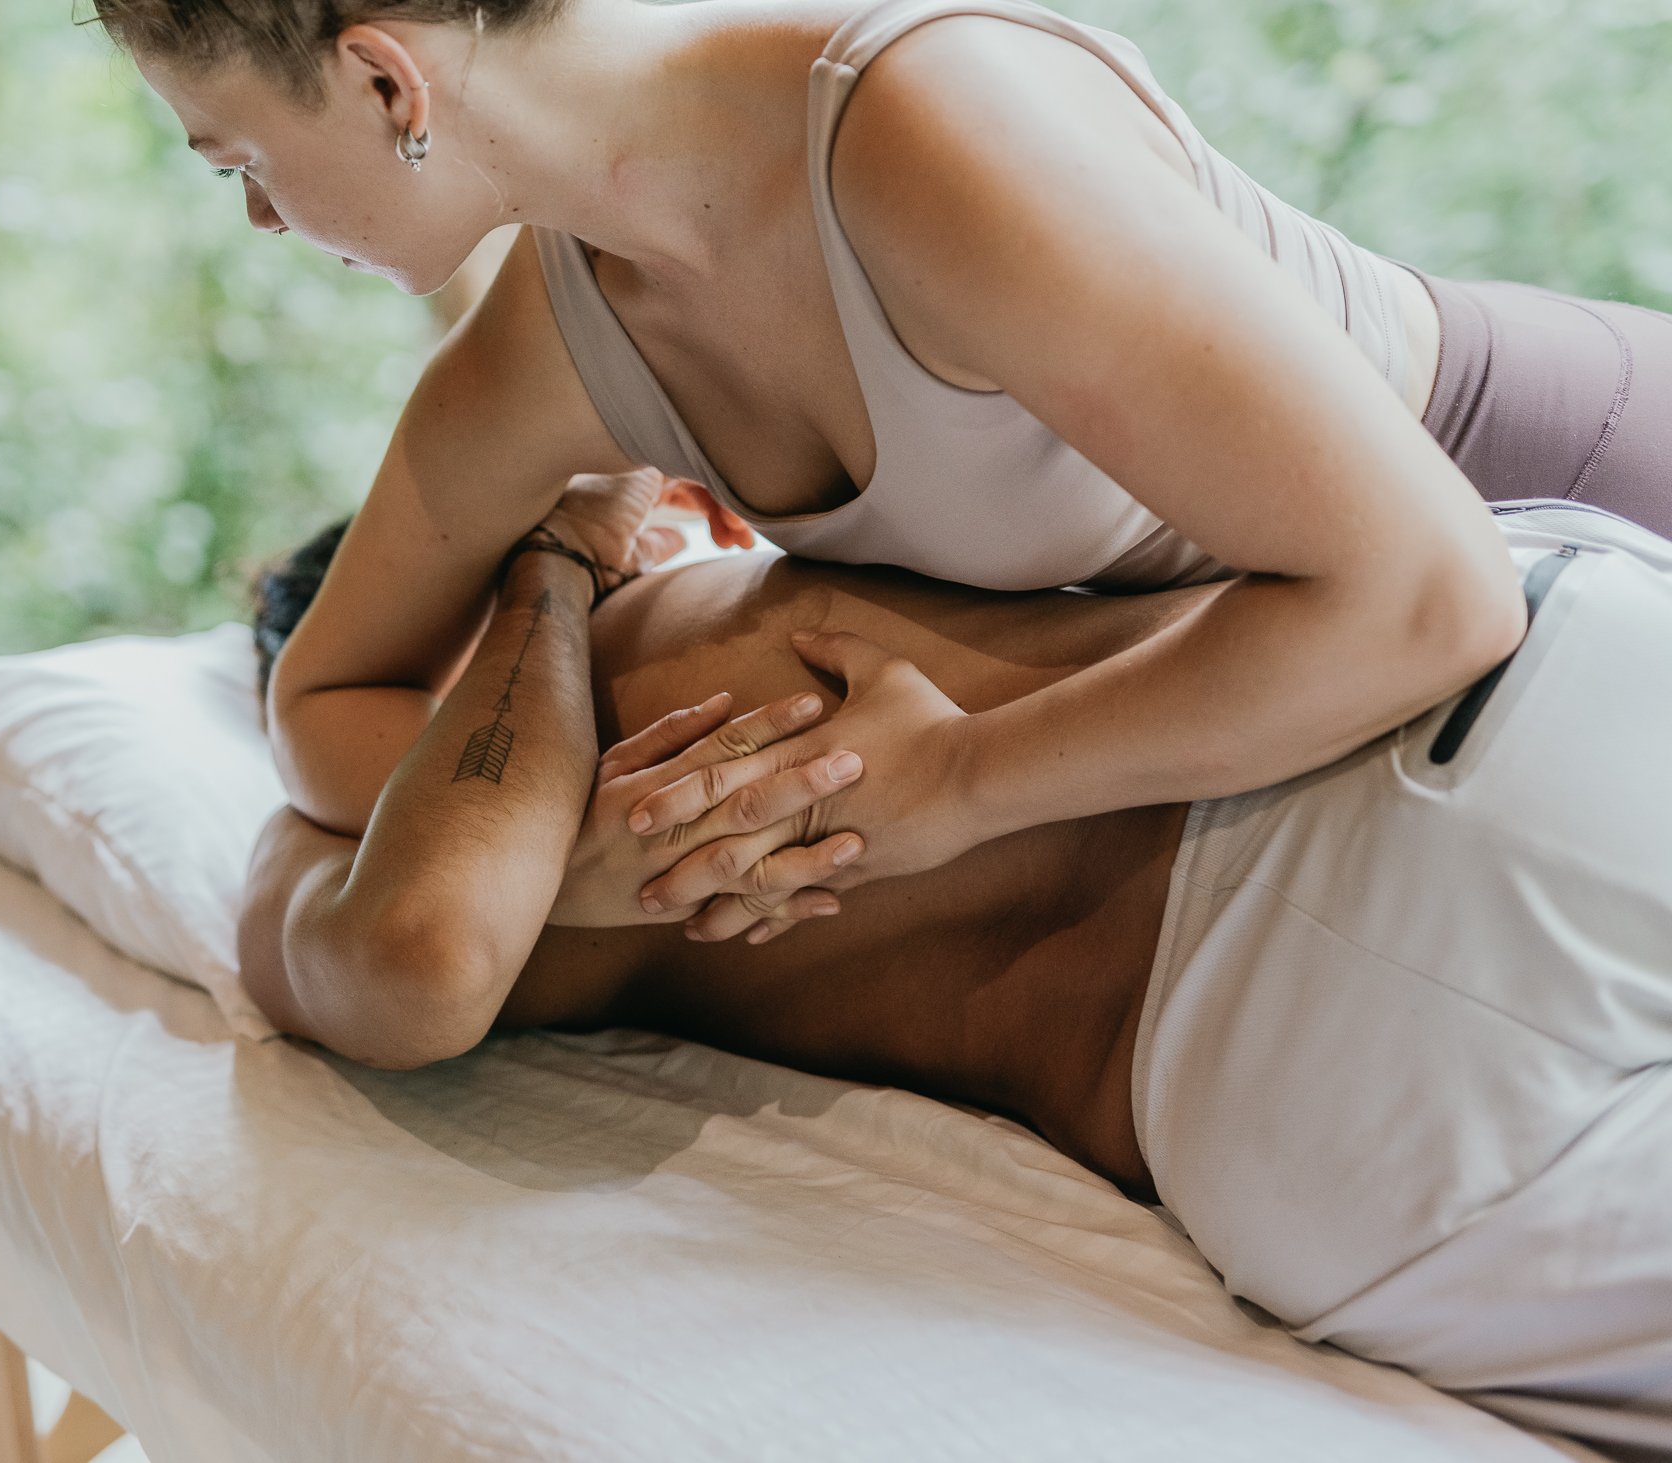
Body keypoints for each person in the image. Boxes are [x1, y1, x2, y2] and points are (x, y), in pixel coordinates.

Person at [96, 0, 1672, 934]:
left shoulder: (922, 130)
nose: (256, 218)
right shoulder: (544, 348)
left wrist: (971, 784)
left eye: (239, 159)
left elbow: (1424, 600)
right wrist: (597, 831)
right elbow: (322, 700)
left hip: (1569, 477)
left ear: (387, 84)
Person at [237, 483, 1672, 1457]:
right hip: (1513, 706)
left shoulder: (376, 864)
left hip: (1303, 1085)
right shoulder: (741, 543)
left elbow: (407, 958)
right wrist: (552, 560)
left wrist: (542, 601)